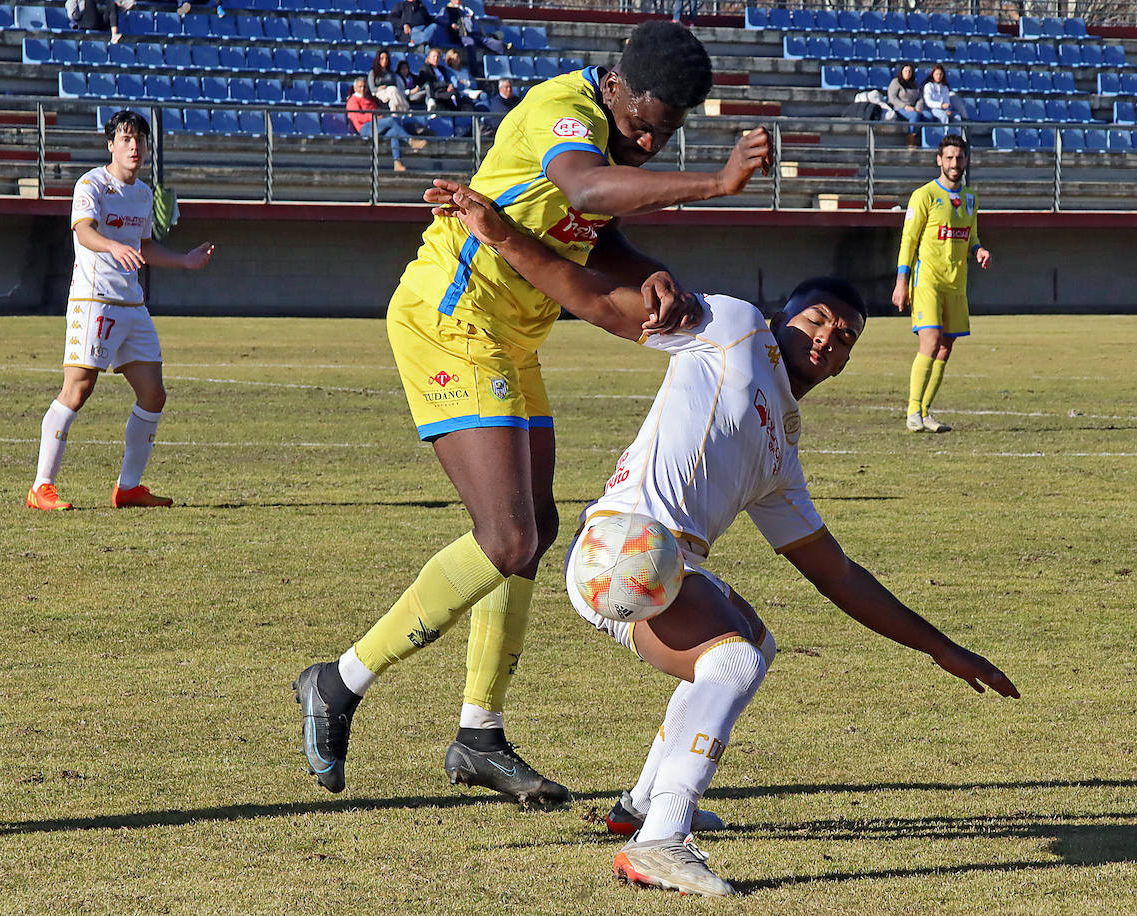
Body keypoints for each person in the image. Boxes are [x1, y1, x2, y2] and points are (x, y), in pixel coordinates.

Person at [432, 181, 1020, 897]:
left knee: (756, 644)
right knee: (732, 662)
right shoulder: (735, 326)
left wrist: (940, 647)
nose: (829, 340)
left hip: (665, 561)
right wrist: (501, 236)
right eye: (820, 322)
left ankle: (642, 805)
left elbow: (839, 574)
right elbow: (598, 302)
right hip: (622, 547)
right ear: (784, 316)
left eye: (845, 341)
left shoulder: (785, 451)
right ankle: (661, 842)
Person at [291, 20, 773, 807]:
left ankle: (479, 734)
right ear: (615, 88)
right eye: (642, 124)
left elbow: (594, 232)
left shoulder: (615, 135)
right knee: (508, 536)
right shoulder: (567, 110)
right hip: (450, 317)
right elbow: (582, 189)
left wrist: (653, 273)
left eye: (666, 132)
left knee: (536, 533)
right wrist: (714, 186)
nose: (648, 144)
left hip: (511, 332)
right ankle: (338, 683)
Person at [27, 110, 214, 512]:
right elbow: (84, 229)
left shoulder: (143, 194)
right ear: (110, 144)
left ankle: (128, 488)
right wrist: (112, 245)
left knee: (153, 393)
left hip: (132, 305)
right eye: (126, 139)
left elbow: (143, 247)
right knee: (78, 390)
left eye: (140, 140)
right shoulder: (92, 184)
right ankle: (41, 486)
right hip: (94, 301)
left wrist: (184, 260)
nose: (135, 147)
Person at [892, 133, 991, 433]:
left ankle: (924, 413)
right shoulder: (924, 196)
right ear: (939, 160)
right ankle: (912, 412)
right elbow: (908, 240)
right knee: (931, 341)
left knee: (946, 348)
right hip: (927, 281)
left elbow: (971, 236)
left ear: (966, 160)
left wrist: (979, 250)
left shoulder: (971, 198)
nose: (954, 163)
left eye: (959, 158)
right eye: (948, 157)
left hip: (956, 283)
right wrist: (901, 282)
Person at [346, 76, 427, 172]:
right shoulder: (353, 100)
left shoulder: (370, 99)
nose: (363, 89)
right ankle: (410, 140)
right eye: (360, 87)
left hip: (377, 124)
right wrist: (374, 116)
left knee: (394, 133)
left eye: (364, 87)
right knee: (391, 121)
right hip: (365, 128)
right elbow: (358, 117)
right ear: (355, 88)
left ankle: (397, 162)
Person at [887, 61, 924, 147]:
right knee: (914, 115)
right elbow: (892, 98)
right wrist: (905, 106)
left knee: (928, 116)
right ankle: (911, 141)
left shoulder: (915, 84)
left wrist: (918, 106)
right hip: (899, 108)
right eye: (906, 71)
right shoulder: (896, 82)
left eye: (910, 71)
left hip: (914, 108)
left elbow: (920, 98)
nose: (908, 73)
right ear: (902, 72)